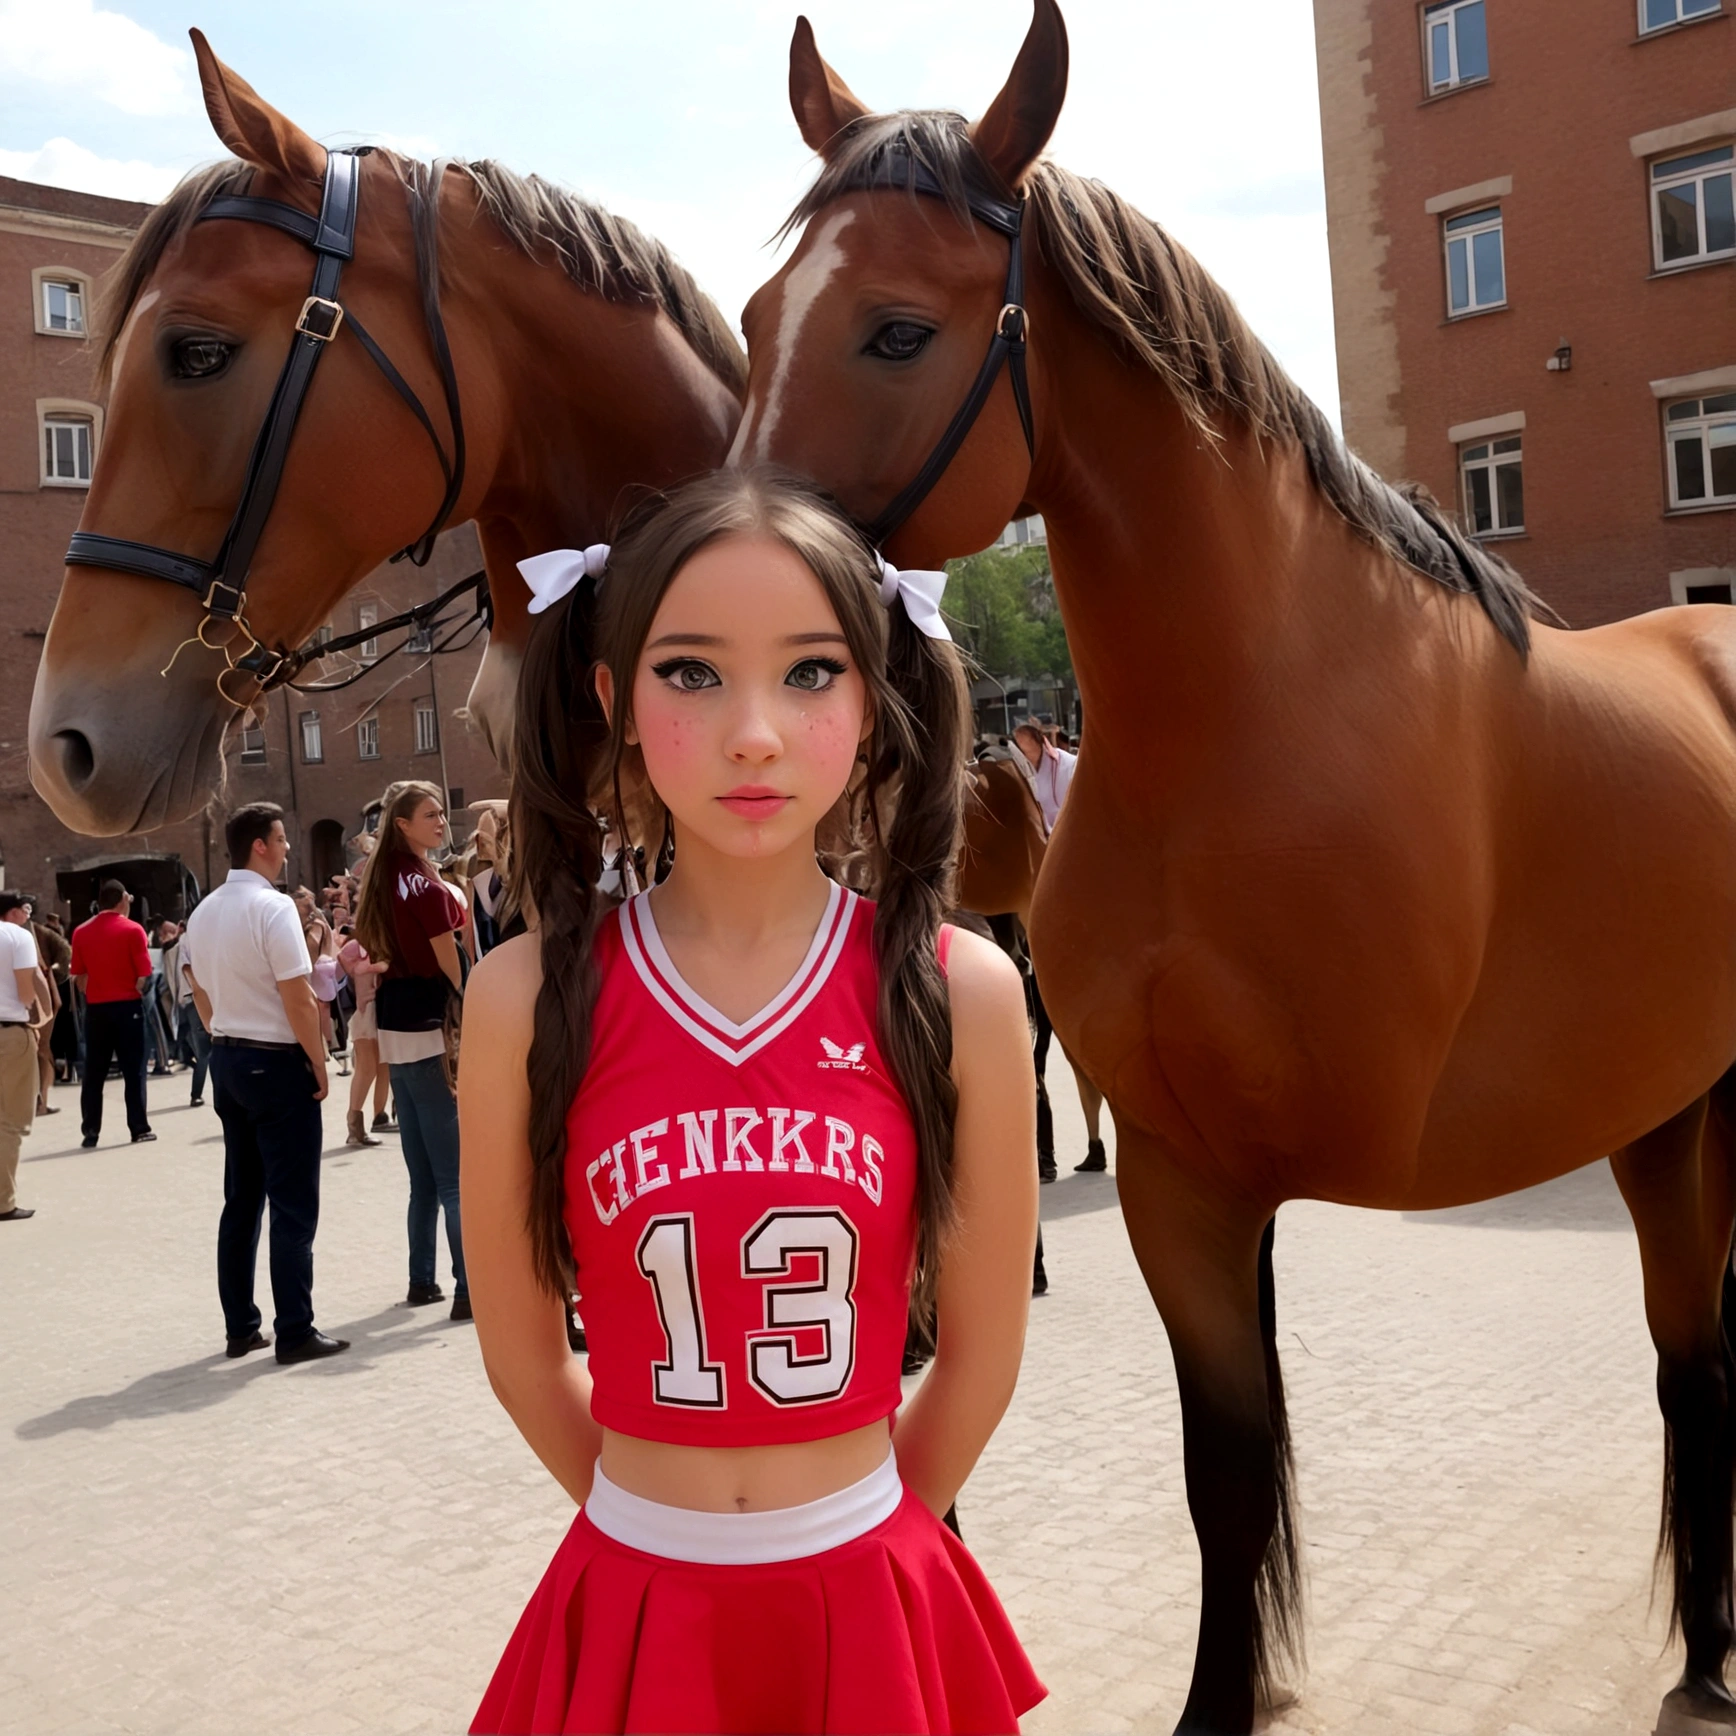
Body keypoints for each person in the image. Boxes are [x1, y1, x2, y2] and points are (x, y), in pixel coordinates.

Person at [461, 467, 1043, 1734]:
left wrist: (847, 1530)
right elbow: (519, 1353)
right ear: (611, 697)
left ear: (874, 697)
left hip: (867, 1582)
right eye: (689, 672)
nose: (753, 733)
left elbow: (983, 1356)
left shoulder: (962, 989)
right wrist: (654, 1525)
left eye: (809, 670)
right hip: (630, 1588)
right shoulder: (521, 993)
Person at [184, 803, 348, 1365]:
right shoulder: (273, 908)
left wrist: (222, 1032)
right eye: (279, 840)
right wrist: (320, 1062)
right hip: (275, 1062)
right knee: (293, 1202)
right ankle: (295, 1329)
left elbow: (197, 988)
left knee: (242, 1198)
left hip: (228, 1058)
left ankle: (240, 1326)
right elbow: (297, 996)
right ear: (259, 845)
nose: (284, 850)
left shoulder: (202, 912)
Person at [355, 780, 470, 1322]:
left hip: (396, 1020)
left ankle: (422, 1280)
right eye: (430, 814)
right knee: (452, 1175)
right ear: (403, 825)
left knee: (423, 1175)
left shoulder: (383, 882)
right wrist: (470, 1003)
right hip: (429, 1019)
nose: (441, 822)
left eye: (442, 813)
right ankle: (468, 1287)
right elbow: (451, 962)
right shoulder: (423, 887)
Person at [70, 880, 154, 1149]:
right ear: (123, 900)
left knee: (94, 1074)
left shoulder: (81, 932)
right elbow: (144, 976)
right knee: (134, 1071)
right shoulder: (133, 930)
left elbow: (79, 977)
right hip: (127, 1007)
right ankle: (138, 1128)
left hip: (96, 1009)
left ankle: (91, 1131)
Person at [0, 892, 51, 1222]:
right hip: (9, 1032)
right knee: (10, 1121)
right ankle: (3, 1200)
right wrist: (40, 1018)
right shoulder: (18, 937)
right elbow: (26, 991)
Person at [336, 927, 389, 1146]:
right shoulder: (360, 948)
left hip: (372, 1011)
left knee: (376, 1066)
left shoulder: (361, 947)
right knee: (367, 1068)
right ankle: (355, 1126)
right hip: (366, 1011)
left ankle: (367, 1122)